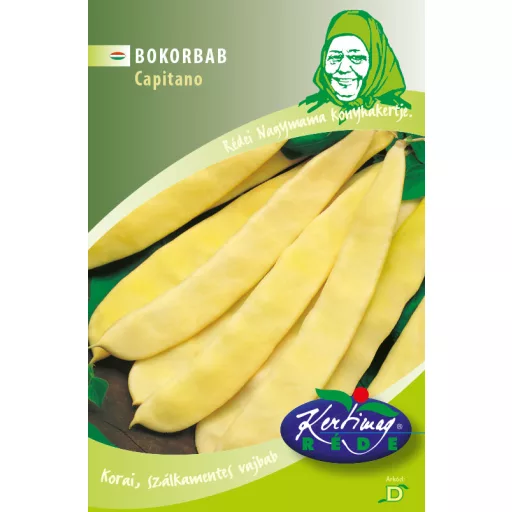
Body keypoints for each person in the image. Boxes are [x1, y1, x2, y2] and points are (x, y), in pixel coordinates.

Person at [301, 10, 410, 112]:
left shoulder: (400, 114)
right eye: (335, 57)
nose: (343, 69)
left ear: (377, 64)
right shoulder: (307, 111)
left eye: (356, 58)